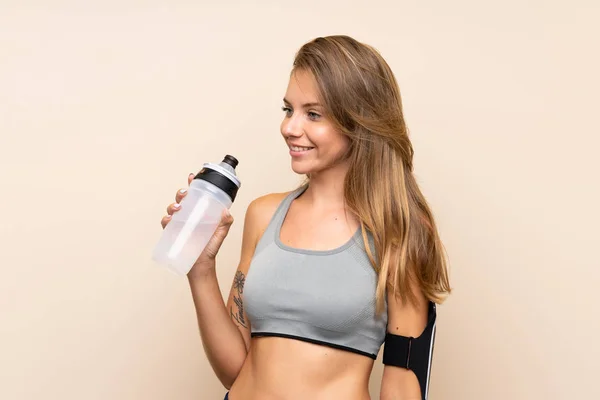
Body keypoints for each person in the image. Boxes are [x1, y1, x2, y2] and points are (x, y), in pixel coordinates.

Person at [161, 35, 451, 400]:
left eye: (313, 114)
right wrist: (200, 268)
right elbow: (236, 370)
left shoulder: (400, 231)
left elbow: (404, 386)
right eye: (288, 110)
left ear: (359, 121)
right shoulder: (264, 214)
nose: (290, 128)